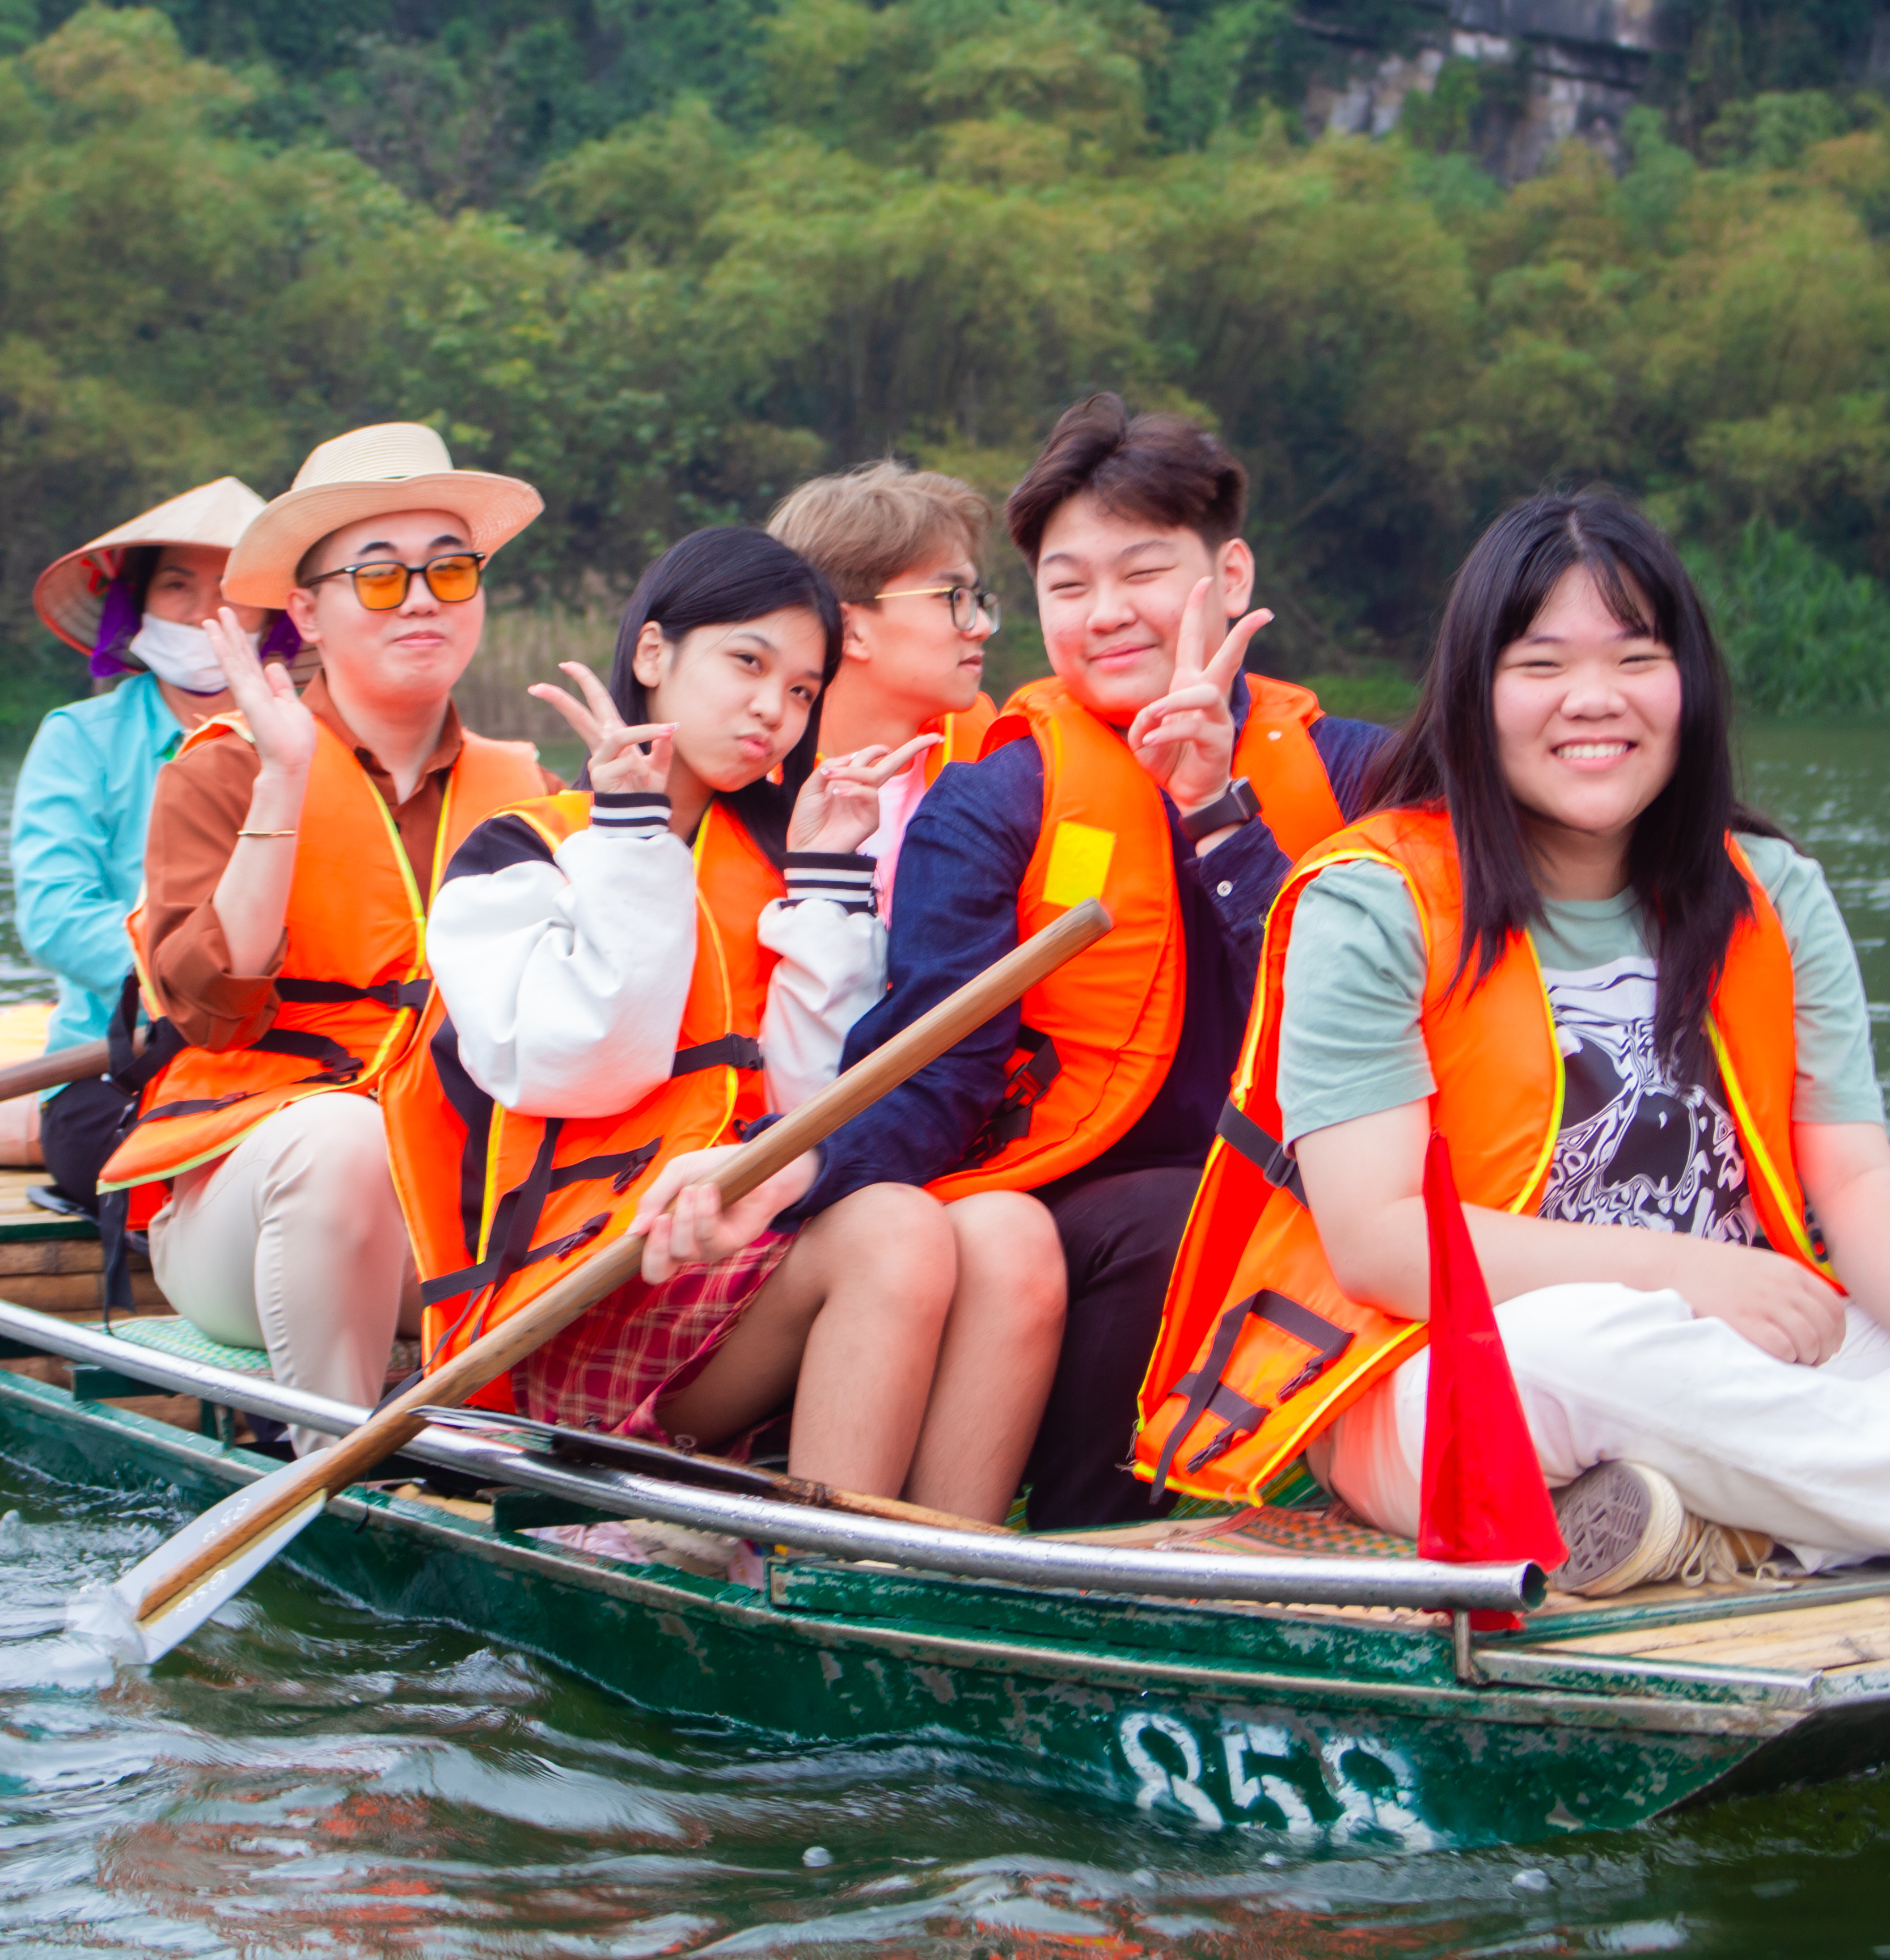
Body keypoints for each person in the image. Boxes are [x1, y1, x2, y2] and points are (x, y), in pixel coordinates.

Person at [1134, 489, 1890, 1595]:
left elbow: (1852, 1178)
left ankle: (1743, 1529)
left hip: (1750, 1363)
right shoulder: (1373, 900)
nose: (1593, 699)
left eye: (1636, 659)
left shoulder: (1769, 889)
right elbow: (1383, 1241)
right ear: (1473, 692)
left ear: (1689, 686)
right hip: (1451, 1376)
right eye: (1542, 663)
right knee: (1580, 1346)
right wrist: (1687, 1275)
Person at [762, 394, 1394, 1529]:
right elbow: (934, 1074)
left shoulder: (1357, 774)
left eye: (1144, 573)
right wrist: (789, 1194)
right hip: (1077, 1231)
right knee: (1173, 1219)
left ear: (1231, 578)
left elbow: (1390, 1015)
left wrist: (1222, 820)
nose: (1106, 615)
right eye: (1068, 587)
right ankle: (1097, 1547)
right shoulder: (993, 801)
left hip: (1321, 1207)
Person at [386, 529, 1063, 1518]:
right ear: (653, 656)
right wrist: (631, 837)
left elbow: (811, 1104)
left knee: (1009, 1230)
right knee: (892, 1230)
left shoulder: (784, 861)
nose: (772, 711)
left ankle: (943, 1572)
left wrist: (828, 879)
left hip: (740, 1269)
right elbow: (588, 1067)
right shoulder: (518, 853)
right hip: (572, 1312)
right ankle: (821, 1584)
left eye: (801, 690)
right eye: (746, 663)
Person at [92, 424, 557, 1450]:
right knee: (345, 1139)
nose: (425, 598)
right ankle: (333, 1475)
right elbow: (211, 1009)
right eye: (381, 578)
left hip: (457, 1222)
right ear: (304, 610)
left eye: (449, 569)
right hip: (246, 1200)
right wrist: (286, 779)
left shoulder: (533, 795)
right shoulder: (222, 770)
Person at [14, 476, 287, 1204]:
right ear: (137, 607)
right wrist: (196, 990)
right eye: (177, 589)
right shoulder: (79, 740)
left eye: (233, 591)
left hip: (291, 1052)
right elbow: (55, 918)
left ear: (277, 612)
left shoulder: (309, 740)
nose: (207, 616)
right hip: (124, 1061)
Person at [764, 460, 1000, 918]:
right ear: (848, 631)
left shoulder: (1008, 768)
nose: (983, 626)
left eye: (977, 599)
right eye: (952, 597)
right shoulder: (742, 795)